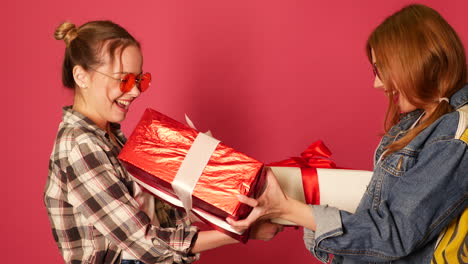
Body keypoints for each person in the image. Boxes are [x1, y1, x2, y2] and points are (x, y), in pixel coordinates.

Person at [228, 4, 468, 264]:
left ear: (413, 62)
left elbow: (395, 234)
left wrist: (289, 208)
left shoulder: (454, 137)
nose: (378, 84)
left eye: (380, 69)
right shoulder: (423, 120)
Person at [44, 20, 282, 264]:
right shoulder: (80, 147)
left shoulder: (111, 139)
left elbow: (162, 218)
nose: (135, 91)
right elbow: (144, 242)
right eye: (123, 80)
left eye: (140, 80)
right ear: (81, 76)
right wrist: (243, 232)